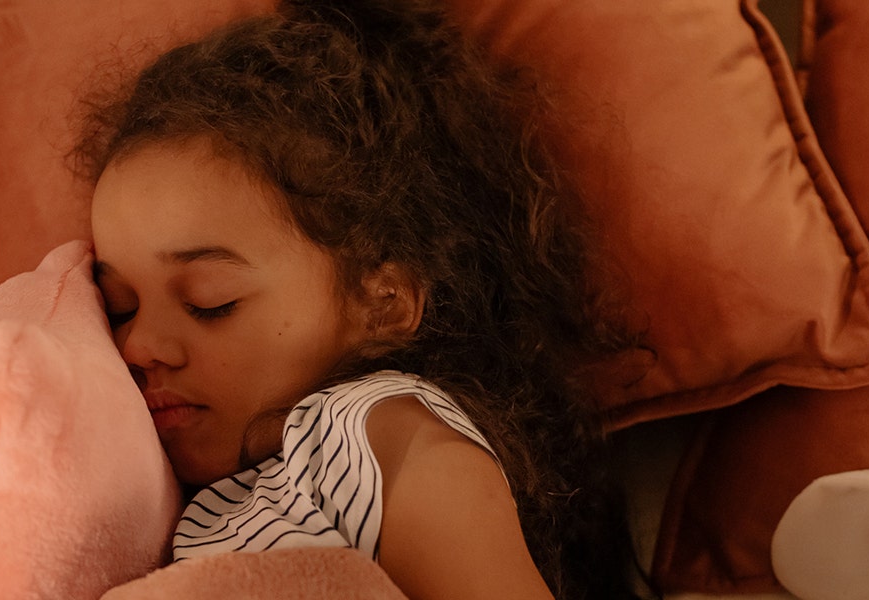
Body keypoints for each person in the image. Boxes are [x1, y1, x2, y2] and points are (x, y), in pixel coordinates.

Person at [76, 1, 643, 598]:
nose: (138, 345)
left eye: (208, 302)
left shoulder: (378, 433)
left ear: (382, 304)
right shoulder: (195, 480)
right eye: (119, 305)